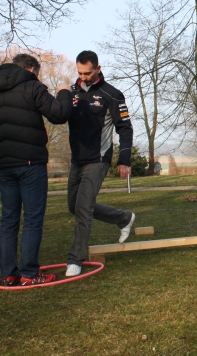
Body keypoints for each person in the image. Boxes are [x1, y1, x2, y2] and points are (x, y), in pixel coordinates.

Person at [0, 54, 72, 286]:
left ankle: (8, 273)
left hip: (3, 165)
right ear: (32, 69)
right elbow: (59, 114)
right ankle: (30, 274)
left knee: (8, 219)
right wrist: (63, 92)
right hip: (31, 164)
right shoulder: (32, 86)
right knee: (32, 219)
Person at [65, 50, 135, 277]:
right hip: (77, 159)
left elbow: (125, 128)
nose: (83, 77)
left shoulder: (112, 95)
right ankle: (123, 217)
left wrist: (124, 160)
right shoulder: (72, 92)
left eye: (87, 72)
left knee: (84, 208)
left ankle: (76, 259)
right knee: (73, 206)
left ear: (98, 69)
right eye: (80, 73)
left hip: (99, 159)